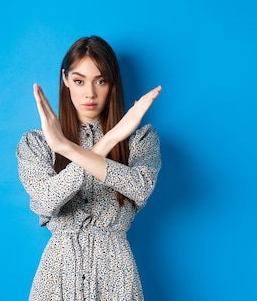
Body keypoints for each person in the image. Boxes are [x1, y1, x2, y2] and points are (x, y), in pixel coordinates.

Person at [16, 35, 162, 300]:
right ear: (65, 80)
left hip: (116, 275)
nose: (90, 93)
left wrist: (74, 148)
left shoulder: (140, 140)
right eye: (79, 81)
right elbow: (43, 201)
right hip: (57, 275)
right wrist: (104, 142)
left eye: (101, 80)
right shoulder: (37, 142)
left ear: (112, 83)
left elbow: (140, 188)